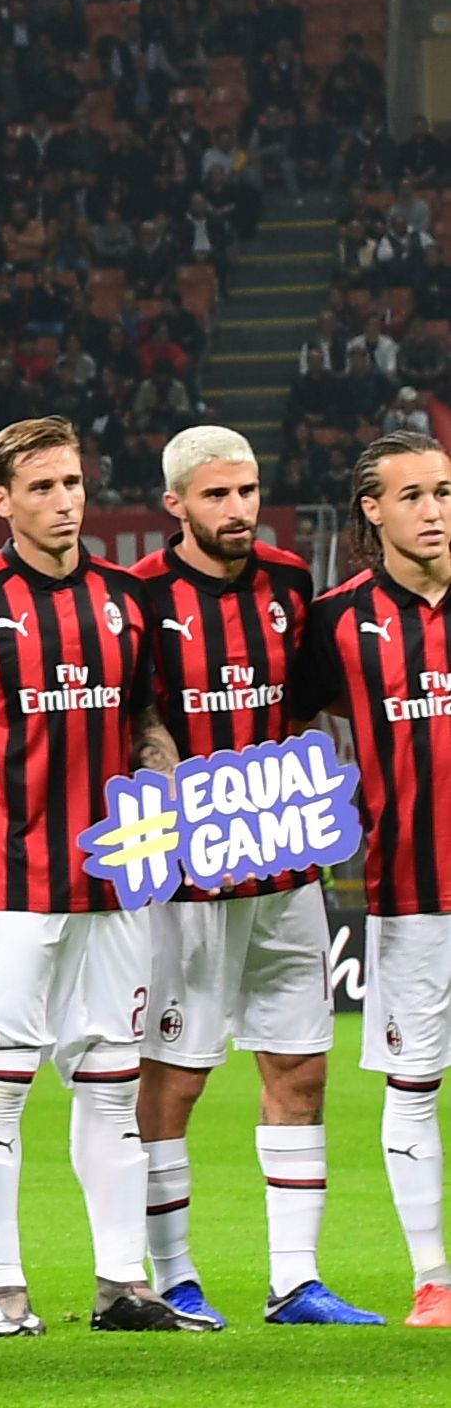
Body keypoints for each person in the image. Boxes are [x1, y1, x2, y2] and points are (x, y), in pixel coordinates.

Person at [0, 416, 179, 1336]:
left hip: (113, 886)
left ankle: (119, 1285)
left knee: (110, 1087)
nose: (64, 500)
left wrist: (160, 763)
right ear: (1, 501)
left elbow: (145, 717)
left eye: (73, 483)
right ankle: (3, 1289)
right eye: (44, 486)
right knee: (1, 1083)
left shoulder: (125, 602)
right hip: (12, 884)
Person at [129, 425, 373, 1328]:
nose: (238, 509)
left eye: (247, 491)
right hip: (188, 880)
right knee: (176, 1076)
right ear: (176, 504)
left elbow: (308, 699)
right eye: (217, 495)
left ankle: (294, 1280)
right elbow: (138, 715)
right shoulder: (141, 596)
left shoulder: (286, 582)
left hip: (286, 866)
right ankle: (172, 1276)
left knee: (300, 1067)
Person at [284, 435, 451, 1327]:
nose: (433, 509)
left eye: (445, 491)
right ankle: (434, 1279)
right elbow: (286, 731)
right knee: (414, 1083)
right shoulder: (335, 620)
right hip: (413, 892)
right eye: (413, 494)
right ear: (371, 512)